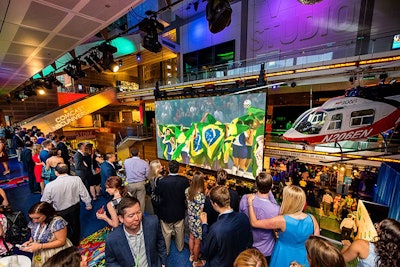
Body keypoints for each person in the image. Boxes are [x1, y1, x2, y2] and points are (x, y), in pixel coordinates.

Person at [247, 185, 320, 267]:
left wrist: (250, 203)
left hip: (283, 257)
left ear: (288, 201)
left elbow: (254, 223)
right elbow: (316, 243)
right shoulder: (312, 219)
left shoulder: (282, 220)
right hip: (304, 258)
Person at [105, 196, 167, 267]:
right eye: (131, 216)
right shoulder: (112, 239)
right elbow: (110, 262)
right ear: (121, 218)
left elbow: (160, 241)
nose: (137, 218)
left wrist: (163, 262)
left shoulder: (153, 223)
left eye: (138, 212)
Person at [200, 185, 253, 267]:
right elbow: (250, 241)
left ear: (215, 204)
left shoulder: (216, 228)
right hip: (238, 262)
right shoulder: (244, 217)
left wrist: (204, 224)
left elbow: (206, 249)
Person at [41, 163, 92, 246]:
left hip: (60, 211)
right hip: (74, 207)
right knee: (76, 225)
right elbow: (83, 192)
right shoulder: (76, 179)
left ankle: (67, 244)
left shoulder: (50, 186)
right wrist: (88, 204)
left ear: (56, 172)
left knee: (63, 228)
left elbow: (45, 201)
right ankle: (75, 243)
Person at [239, 172, 280, 263]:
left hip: (247, 247)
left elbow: (241, 220)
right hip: (266, 251)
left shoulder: (245, 199)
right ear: (271, 186)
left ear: (256, 185)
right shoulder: (276, 209)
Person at [20, 202, 73, 267]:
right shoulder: (33, 222)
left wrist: (40, 246)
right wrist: (29, 242)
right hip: (40, 252)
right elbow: (34, 235)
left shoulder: (57, 222)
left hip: (56, 252)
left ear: (46, 214)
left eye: (37, 218)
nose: (35, 221)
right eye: (32, 218)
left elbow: (61, 241)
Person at [154, 160, 190, 255]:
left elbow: (157, 194)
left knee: (166, 234)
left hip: (165, 212)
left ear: (168, 169)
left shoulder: (162, 182)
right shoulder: (185, 181)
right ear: (178, 168)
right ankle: (180, 247)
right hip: (179, 210)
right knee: (180, 232)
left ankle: (166, 251)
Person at [186, 171, 206, 266]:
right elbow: (201, 211)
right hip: (198, 221)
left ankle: (191, 255)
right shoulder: (201, 196)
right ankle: (195, 261)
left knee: (191, 237)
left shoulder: (187, 191)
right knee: (197, 243)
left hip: (190, 218)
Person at [124, 147, 149, 213]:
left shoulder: (126, 161)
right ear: (139, 153)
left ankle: (132, 214)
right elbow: (147, 175)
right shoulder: (144, 163)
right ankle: (140, 217)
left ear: (131, 154)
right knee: (141, 202)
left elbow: (126, 172)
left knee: (131, 201)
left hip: (130, 184)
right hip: (141, 184)